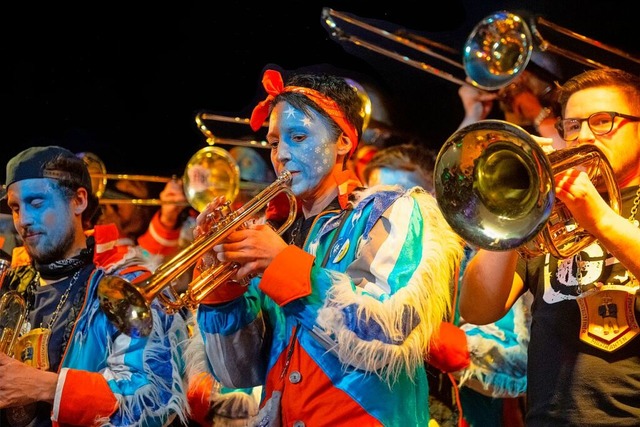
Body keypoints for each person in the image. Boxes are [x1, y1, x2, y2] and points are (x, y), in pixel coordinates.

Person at [190, 67, 465, 426]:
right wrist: (222, 285)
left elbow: (385, 337)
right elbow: (237, 373)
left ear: (344, 143)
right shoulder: (275, 230)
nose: (281, 156)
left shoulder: (392, 211)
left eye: (299, 137)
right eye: (274, 143)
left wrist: (282, 264)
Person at [459, 67, 640, 426]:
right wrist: (513, 211)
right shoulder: (552, 210)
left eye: (602, 121)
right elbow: (478, 308)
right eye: (572, 126)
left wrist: (601, 221)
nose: (584, 135)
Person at [0, 146, 189, 426]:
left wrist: (47, 387)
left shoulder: (127, 286)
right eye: (16, 208)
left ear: (79, 201)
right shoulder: (10, 281)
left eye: (37, 203)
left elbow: (153, 403)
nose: (24, 220)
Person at [363, 143, 530, 427]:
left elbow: (515, 365)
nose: (383, 212)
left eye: (399, 200)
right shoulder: (361, 262)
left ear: (436, 200)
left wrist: (419, 331)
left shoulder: (472, 262)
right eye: (374, 200)